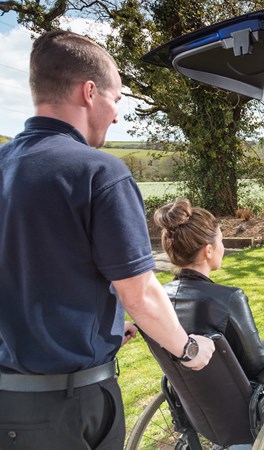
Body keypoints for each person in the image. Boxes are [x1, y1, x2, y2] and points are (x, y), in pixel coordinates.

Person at [0, 30, 214, 450]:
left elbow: (34, 268)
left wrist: (105, 326)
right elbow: (140, 292)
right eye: (117, 100)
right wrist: (188, 349)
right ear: (90, 92)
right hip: (70, 406)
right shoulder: (99, 172)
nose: (117, 115)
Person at [154, 198, 264, 378]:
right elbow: (257, 365)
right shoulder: (229, 298)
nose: (222, 247)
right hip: (242, 397)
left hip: (192, 398)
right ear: (208, 251)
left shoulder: (159, 299)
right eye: (220, 241)